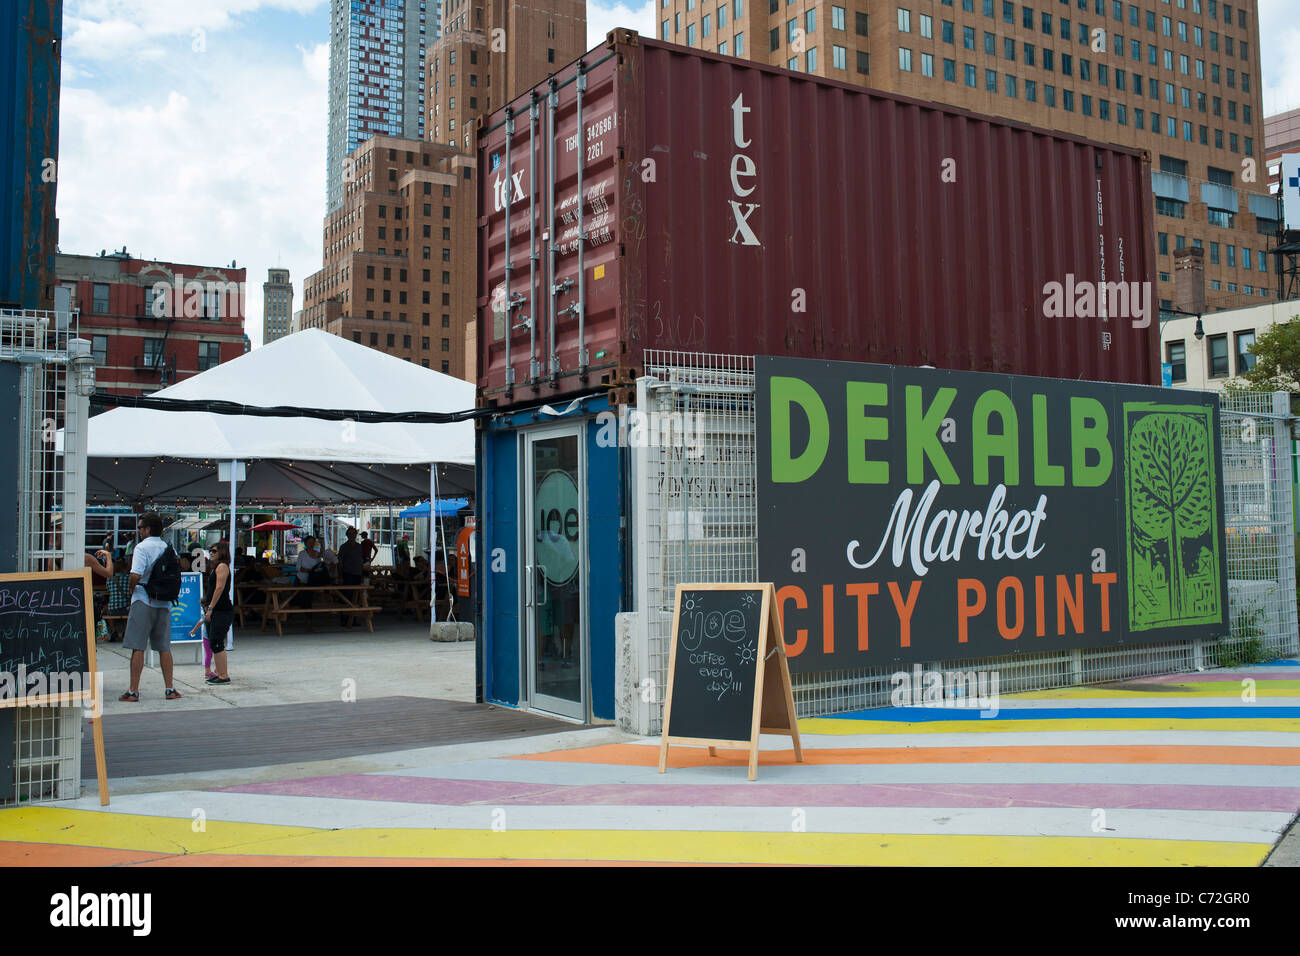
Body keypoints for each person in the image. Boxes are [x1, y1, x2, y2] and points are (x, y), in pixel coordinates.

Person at [119, 512, 181, 702]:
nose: (138, 530)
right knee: (164, 647)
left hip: (143, 599)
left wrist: (131, 590)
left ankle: (133, 691)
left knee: (138, 647)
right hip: (164, 602)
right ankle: (170, 689)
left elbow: (135, 574)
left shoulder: (141, 547)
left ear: (147, 529)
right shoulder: (167, 548)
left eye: (140, 527)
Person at [191, 541, 233, 685]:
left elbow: (219, 588)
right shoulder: (215, 568)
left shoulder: (222, 566)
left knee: (216, 641)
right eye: (210, 551)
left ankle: (223, 675)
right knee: (214, 642)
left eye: (214, 551)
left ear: (222, 552)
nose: (211, 553)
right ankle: (220, 673)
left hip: (221, 610)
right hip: (215, 609)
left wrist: (210, 608)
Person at [337, 527, 367, 628]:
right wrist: (340, 576)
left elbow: (361, 561)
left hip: (357, 574)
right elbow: (340, 563)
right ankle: (344, 619)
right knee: (346, 597)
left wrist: (362, 574)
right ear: (347, 535)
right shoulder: (344, 547)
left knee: (356, 597)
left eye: (353, 534)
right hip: (347, 574)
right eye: (350, 534)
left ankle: (353, 618)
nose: (352, 535)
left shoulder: (359, 546)